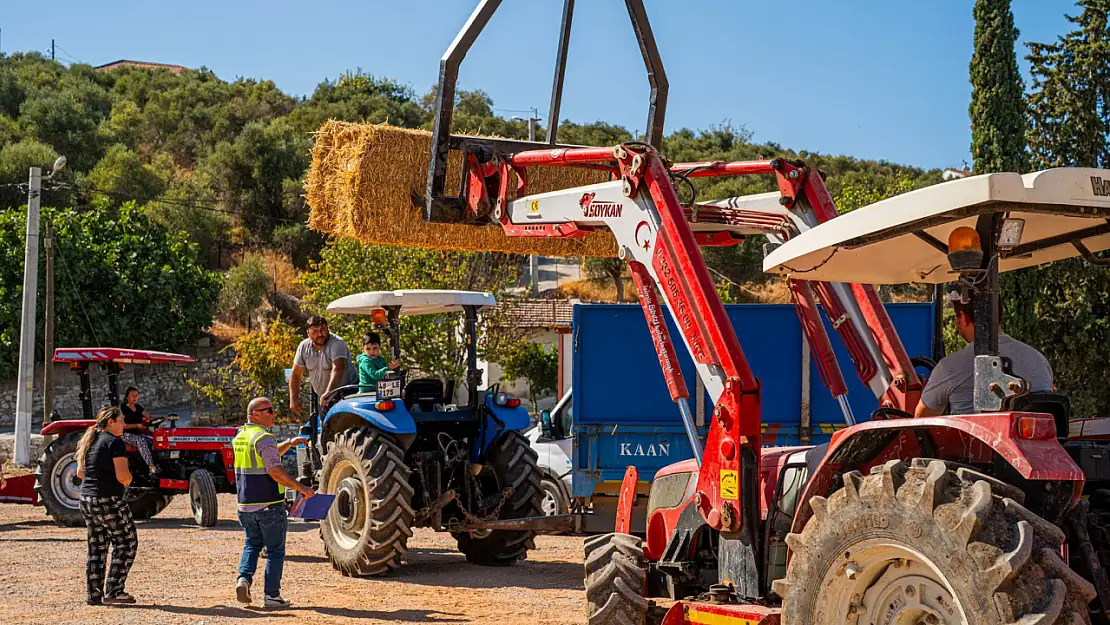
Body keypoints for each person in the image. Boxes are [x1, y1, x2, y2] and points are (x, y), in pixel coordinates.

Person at [916, 288, 1053, 417]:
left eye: (957, 319)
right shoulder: (1039, 359)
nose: (957, 325)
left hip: (973, 442)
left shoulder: (949, 367)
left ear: (963, 318)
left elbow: (922, 421)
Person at [233, 397, 314, 609]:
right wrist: (301, 488)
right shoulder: (264, 437)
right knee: (275, 551)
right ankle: (272, 596)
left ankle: (243, 579)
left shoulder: (242, 436)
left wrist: (289, 443)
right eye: (268, 410)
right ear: (254, 414)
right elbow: (274, 470)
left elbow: (263, 456)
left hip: (245, 505)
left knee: (252, 543)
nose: (274, 414)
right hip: (268, 504)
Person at [75, 406, 138, 606]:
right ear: (111, 422)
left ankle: (93, 595)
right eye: (121, 420)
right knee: (126, 541)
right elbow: (122, 475)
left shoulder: (90, 441)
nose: (124, 424)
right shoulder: (115, 443)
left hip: (87, 500)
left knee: (97, 547)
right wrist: (129, 480)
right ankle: (114, 590)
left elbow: (80, 473)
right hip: (108, 499)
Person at [289, 315, 358, 416]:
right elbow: (296, 374)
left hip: (347, 393)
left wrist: (328, 393)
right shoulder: (303, 347)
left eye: (322, 329)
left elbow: (338, 369)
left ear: (327, 329)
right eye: (315, 331)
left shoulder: (337, 343)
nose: (320, 334)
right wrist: (293, 398)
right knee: (326, 428)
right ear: (308, 333)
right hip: (323, 397)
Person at [119, 387, 157, 474]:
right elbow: (122, 425)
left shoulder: (139, 407)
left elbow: (150, 417)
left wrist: (163, 418)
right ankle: (150, 466)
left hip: (138, 434)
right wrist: (136, 425)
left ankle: (159, 462)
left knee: (154, 440)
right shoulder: (123, 408)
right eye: (132, 395)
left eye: (136, 395)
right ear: (127, 397)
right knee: (141, 440)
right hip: (126, 434)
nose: (135, 397)